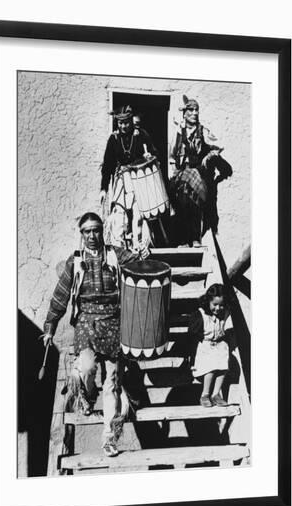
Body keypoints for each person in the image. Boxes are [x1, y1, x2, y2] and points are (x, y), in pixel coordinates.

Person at [42, 212, 149, 457]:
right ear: (81, 234)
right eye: (87, 231)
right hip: (86, 323)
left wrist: (142, 256)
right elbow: (60, 296)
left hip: (113, 322)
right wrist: (50, 327)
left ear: (102, 231)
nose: (92, 235)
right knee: (87, 368)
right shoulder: (75, 261)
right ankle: (87, 396)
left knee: (112, 383)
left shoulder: (115, 254)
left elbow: (137, 264)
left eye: (96, 230)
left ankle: (110, 437)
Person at [168, 96, 232, 247]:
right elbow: (172, 155)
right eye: (191, 110)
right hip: (182, 173)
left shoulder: (203, 131)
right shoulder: (178, 132)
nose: (194, 113)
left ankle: (196, 238)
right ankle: (183, 240)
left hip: (198, 173)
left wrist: (209, 156)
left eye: (197, 110)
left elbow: (219, 145)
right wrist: (173, 171)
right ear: (184, 113)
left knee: (195, 204)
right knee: (181, 204)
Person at [100, 105, 157, 250]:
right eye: (120, 123)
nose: (123, 126)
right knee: (119, 214)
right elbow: (107, 166)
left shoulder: (141, 135)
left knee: (139, 215)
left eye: (126, 122)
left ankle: (140, 247)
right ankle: (118, 249)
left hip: (140, 179)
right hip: (122, 181)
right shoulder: (113, 139)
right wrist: (103, 188)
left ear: (131, 121)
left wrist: (149, 156)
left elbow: (155, 154)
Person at [188, 283, 232, 407]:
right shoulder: (200, 316)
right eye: (215, 305)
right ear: (208, 301)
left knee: (223, 363)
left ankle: (216, 394)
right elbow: (192, 337)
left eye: (221, 305)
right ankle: (205, 394)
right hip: (204, 346)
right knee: (211, 365)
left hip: (218, 344)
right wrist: (190, 359)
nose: (218, 308)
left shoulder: (225, 313)